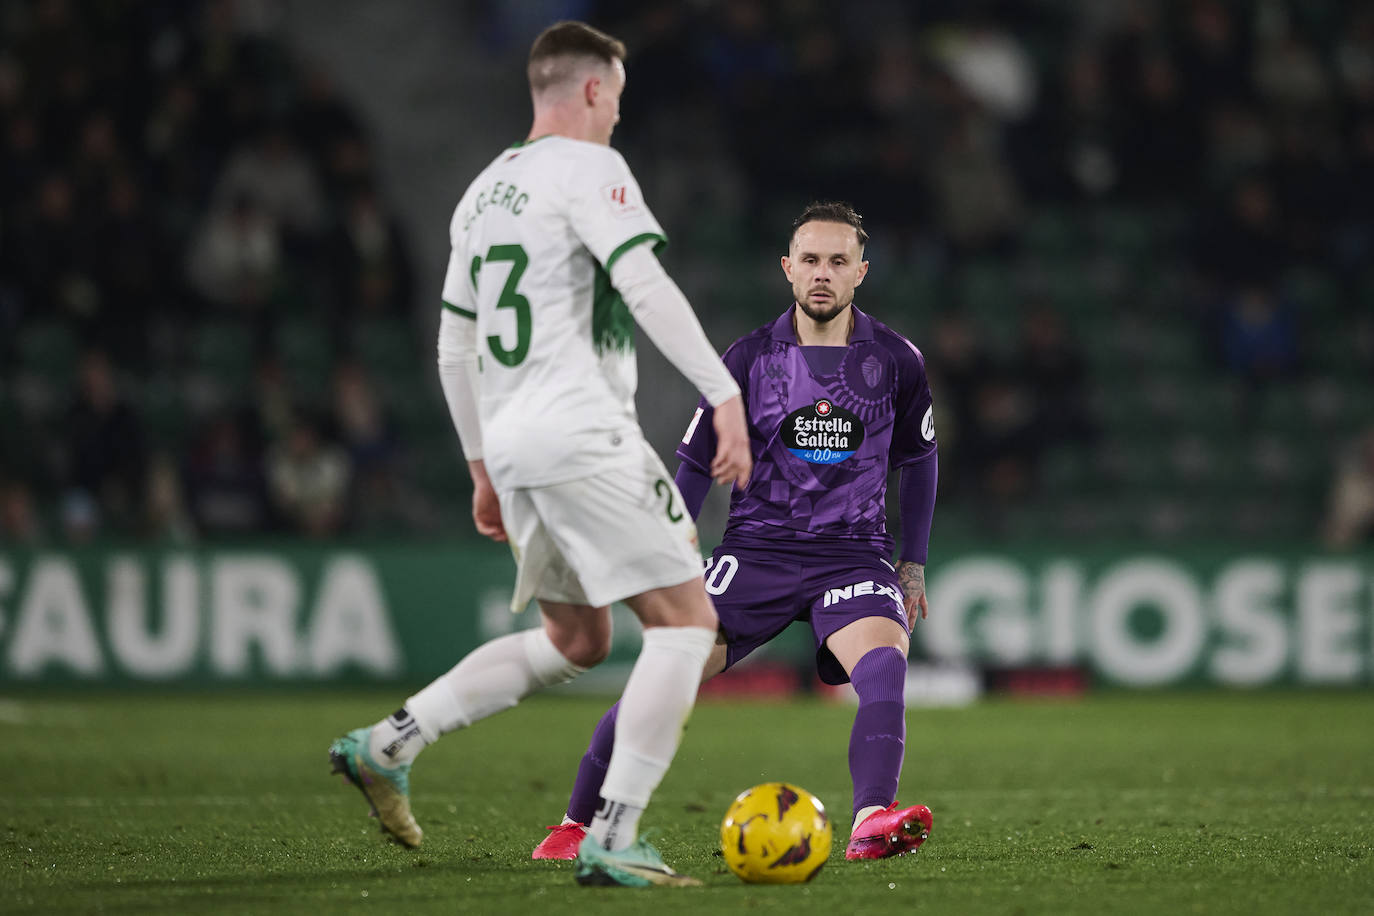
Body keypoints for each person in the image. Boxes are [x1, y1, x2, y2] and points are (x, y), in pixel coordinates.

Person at [327, 21, 751, 889]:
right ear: (595, 89)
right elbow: (643, 284)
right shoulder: (592, 169)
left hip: (517, 441)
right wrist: (724, 391)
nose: (618, 118)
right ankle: (615, 834)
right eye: (618, 100)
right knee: (687, 623)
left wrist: (481, 466)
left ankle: (387, 743)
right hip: (580, 431)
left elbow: (455, 348)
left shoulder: (482, 194)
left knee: (576, 637)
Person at [531, 201, 939, 863]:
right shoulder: (748, 359)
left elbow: (920, 457)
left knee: (886, 661)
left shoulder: (897, 360)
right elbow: (693, 463)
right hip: (757, 553)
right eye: (810, 259)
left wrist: (913, 562)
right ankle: (575, 824)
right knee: (667, 675)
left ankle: (870, 819)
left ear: (861, 271)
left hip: (854, 557)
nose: (823, 274)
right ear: (787, 268)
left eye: (839, 261)